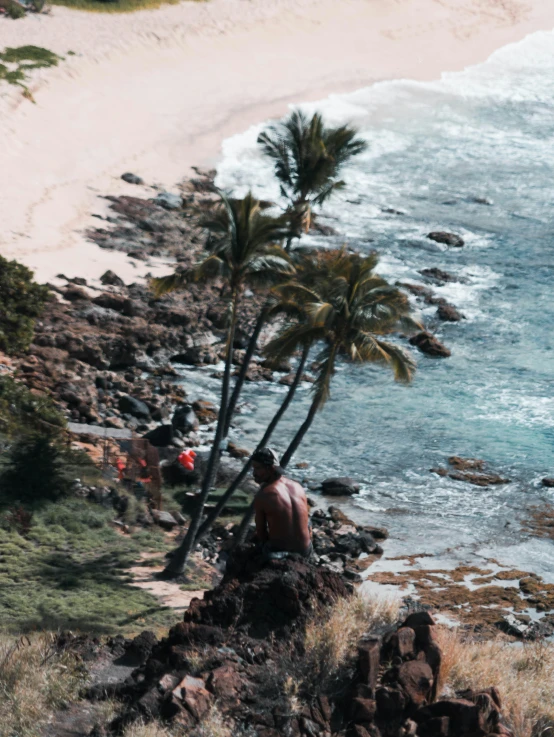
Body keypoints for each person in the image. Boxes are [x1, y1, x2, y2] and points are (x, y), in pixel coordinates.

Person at [251, 447, 312, 560]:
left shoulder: (263, 495)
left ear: (271, 468)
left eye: (258, 468)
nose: (254, 473)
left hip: (278, 552)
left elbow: (261, 533)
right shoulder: (298, 486)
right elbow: (307, 521)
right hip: (305, 550)